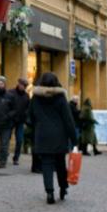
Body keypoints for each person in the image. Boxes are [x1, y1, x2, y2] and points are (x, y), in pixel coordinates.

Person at [27, 72, 76, 204]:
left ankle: (50, 192)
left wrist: (36, 127)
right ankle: (63, 188)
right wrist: (74, 138)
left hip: (42, 135)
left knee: (46, 164)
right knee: (60, 164)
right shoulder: (60, 98)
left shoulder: (36, 98)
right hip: (59, 136)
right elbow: (68, 120)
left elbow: (30, 116)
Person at [8, 77, 30, 166]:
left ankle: (16, 158)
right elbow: (7, 105)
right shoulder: (11, 93)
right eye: (21, 84)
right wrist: (9, 115)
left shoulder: (26, 96)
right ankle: (4, 154)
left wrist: (26, 117)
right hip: (10, 120)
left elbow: (28, 108)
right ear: (18, 84)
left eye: (24, 85)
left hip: (20, 121)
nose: (22, 86)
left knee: (20, 140)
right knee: (6, 138)